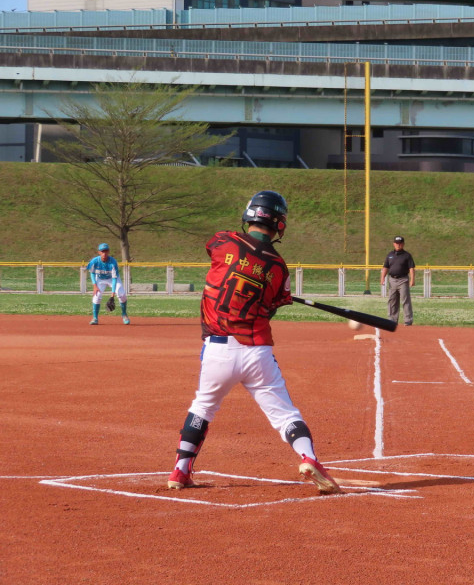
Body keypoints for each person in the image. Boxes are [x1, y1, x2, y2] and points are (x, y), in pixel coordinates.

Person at [166, 190, 341, 495]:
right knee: (285, 414)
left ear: (249, 216)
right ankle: (309, 457)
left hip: (217, 348)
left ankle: (180, 470)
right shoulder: (279, 267)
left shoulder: (224, 240)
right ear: (278, 225)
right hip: (256, 350)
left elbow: (218, 255)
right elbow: (272, 305)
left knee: (203, 407)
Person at [86, 243, 130, 325]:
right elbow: (92, 273)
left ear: (108, 251)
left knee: (121, 294)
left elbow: (114, 279)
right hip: (100, 279)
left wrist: (112, 295)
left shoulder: (113, 262)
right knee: (97, 295)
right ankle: (95, 318)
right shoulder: (95, 261)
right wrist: (94, 286)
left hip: (112, 279)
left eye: (106, 251)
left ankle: (124, 315)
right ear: (99, 252)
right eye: (102, 251)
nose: (104, 253)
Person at [380, 235, 416, 326]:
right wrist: (382, 278)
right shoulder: (390, 255)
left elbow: (411, 268)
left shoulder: (407, 255)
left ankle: (408, 320)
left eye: (400, 243)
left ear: (403, 244)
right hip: (392, 280)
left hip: (403, 280)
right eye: (397, 243)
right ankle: (392, 319)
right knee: (392, 300)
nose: (398, 245)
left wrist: (412, 280)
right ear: (394, 244)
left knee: (405, 300)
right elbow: (385, 267)